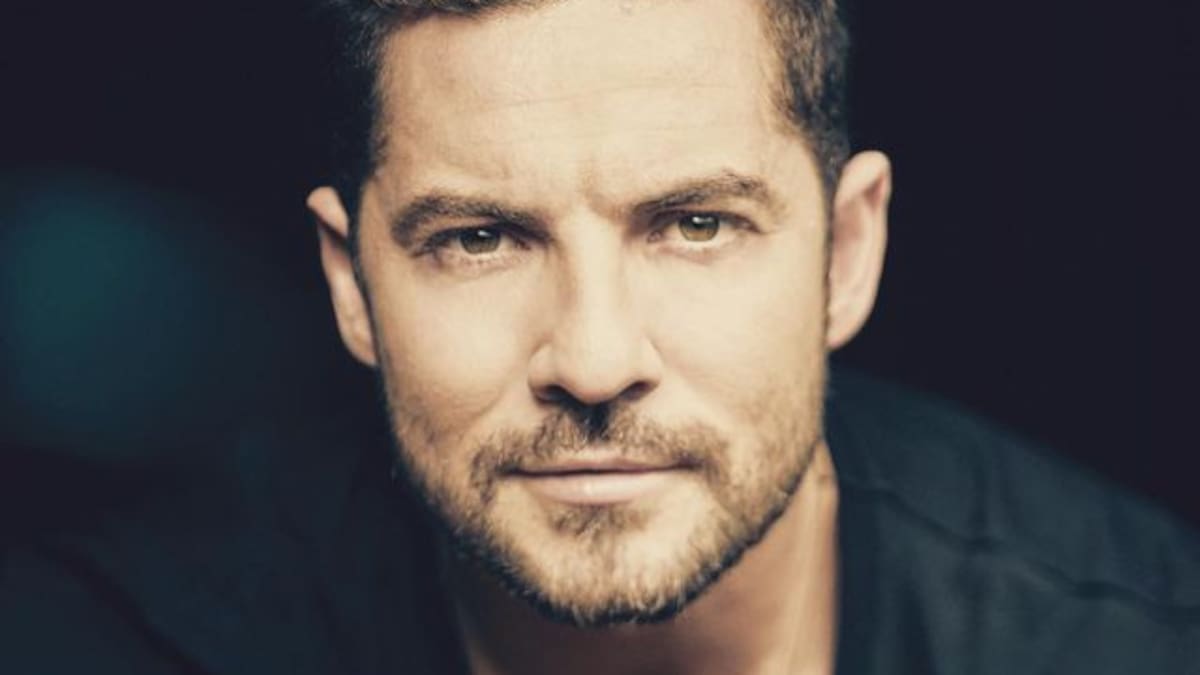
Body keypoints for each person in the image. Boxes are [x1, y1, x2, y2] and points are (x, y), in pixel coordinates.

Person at [1, 1, 1195, 673]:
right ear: (351, 282)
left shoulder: (1126, 644)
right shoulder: (113, 637)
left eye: (695, 225)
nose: (593, 359)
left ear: (846, 252)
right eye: (479, 239)